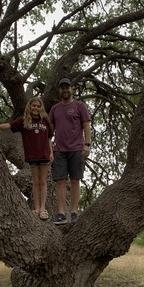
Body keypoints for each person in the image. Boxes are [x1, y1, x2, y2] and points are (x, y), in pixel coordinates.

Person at [0, 97, 53, 220]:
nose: (35, 108)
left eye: (37, 106)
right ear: (29, 107)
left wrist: (51, 153)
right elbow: (8, 125)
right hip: (32, 155)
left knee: (43, 181)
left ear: (41, 108)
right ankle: (36, 208)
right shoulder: (23, 121)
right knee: (36, 182)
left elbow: (49, 138)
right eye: (33, 106)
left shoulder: (45, 121)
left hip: (44, 154)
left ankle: (43, 208)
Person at [49, 78, 91, 225]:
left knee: (75, 180)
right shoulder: (55, 109)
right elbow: (50, 132)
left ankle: (73, 212)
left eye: (67, 88)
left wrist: (87, 145)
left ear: (72, 89)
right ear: (59, 90)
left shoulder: (80, 106)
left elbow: (86, 125)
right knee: (60, 181)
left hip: (76, 149)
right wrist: (49, 150)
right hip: (59, 150)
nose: (65, 90)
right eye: (62, 88)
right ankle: (61, 213)